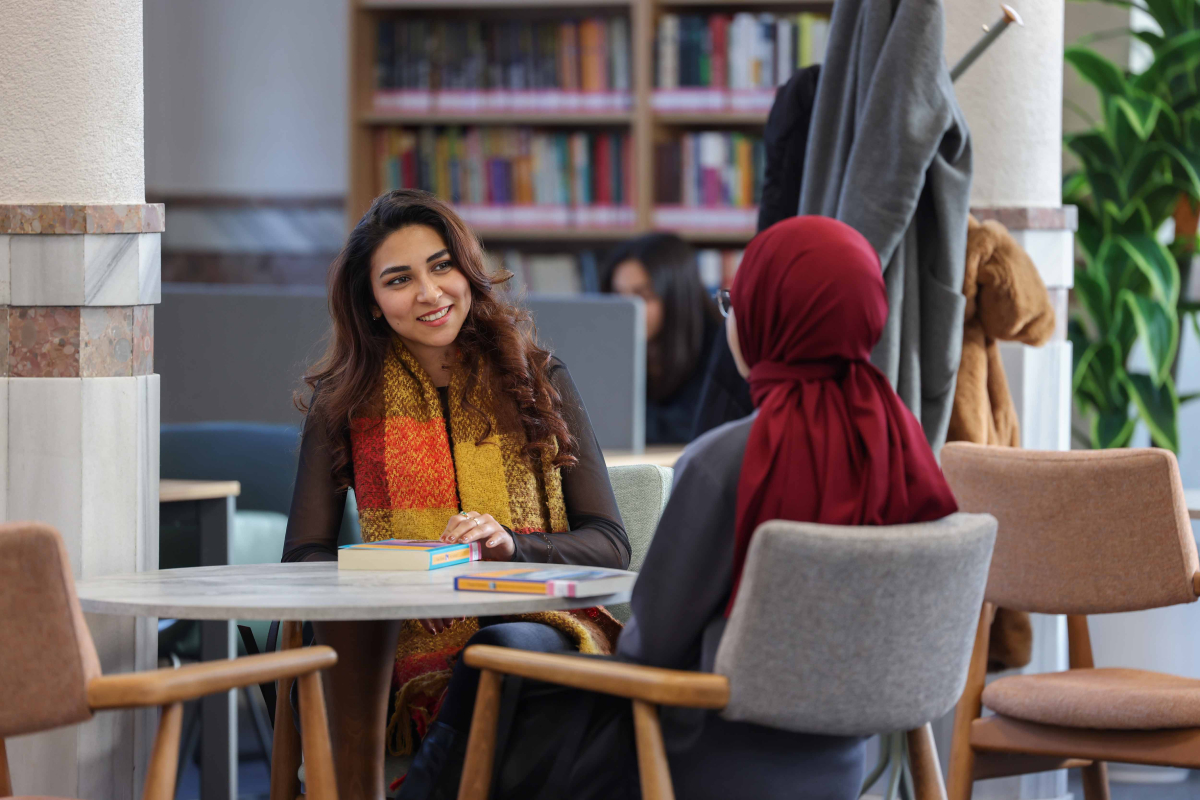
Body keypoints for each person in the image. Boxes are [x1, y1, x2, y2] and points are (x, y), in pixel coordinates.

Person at [405, 215, 961, 800]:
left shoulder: (729, 460)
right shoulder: (906, 451)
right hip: (844, 760)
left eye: (735, 304)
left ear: (770, 318)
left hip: (689, 756)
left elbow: (652, 643)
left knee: (503, 676)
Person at [281, 189, 630, 800]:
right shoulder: (343, 403)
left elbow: (608, 543)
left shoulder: (538, 377)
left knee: (503, 653)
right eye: (399, 279)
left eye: (442, 266)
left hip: (540, 623)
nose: (430, 293)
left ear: (467, 270)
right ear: (371, 303)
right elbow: (304, 556)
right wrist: (390, 569)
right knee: (507, 686)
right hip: (402, 642)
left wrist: (509, 547)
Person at [601, 233, 721, 444]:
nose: (627, 309)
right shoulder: (609, 346)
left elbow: (687, 428)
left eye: (644, 296)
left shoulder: (718, 346)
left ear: (677, 297)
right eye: (618, 295)